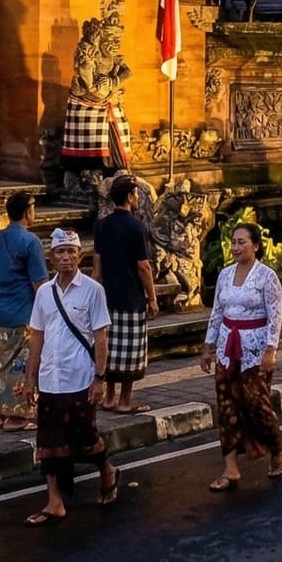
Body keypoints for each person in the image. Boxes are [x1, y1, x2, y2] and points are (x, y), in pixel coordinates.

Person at [21, 228, 116, 524]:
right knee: (48, 443)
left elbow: (101, 338)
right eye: (60, 252)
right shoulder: (44, 294)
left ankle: (107, 469)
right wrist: (29, 379)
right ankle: (54, 502)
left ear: (80, 256)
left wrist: (100, 378)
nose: (65, 257)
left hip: (81, 378)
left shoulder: (92, 290)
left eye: (71, 252)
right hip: (51, 378)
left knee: (86, 437)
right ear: (52, 258)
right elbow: (36, 337)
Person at [201, 222, 282, 490]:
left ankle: (276, 448)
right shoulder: (225, 275)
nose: (236, 247)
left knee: (256, 404)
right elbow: (217, 312)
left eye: (242, 242)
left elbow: (275, 317)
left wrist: (270, 350)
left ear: (256, 245)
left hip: (255, 349)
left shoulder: (266, 277)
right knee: (227, 405)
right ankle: (230, 468)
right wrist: (208, 346)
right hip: (228, 349)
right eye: (234, 242)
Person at [92, 176, 157, 415]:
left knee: (109, 348)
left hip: (107, 297)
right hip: (131, 298)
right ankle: (125, 400)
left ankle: (109, 397)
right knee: (129, 352)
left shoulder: (101, 225)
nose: (137, 198)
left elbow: (97, 267)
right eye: (136, 194)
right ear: (130, 197)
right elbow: (143, 266)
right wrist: (152, 298)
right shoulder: (135, 226)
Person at [0, 192, 46, 431]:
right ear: (28, 211)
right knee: (23, 365)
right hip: (24, 313)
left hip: (0, 310)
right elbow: (39, 284)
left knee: (2, 363)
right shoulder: (31, 242)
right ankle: (17, 415)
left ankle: (0, 412)